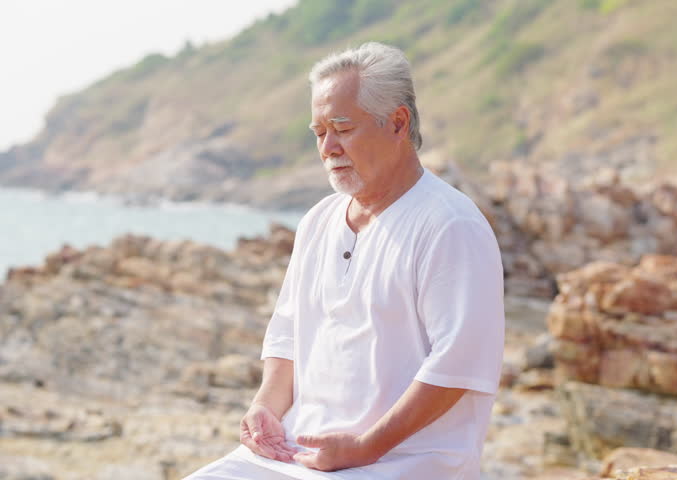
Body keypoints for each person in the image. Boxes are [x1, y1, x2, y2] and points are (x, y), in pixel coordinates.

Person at [185, 42, 504, 480]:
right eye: (319, 132)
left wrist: (366, 447)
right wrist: (265, 409)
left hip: (400, 465)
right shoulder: (318, 221)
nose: (327, 147)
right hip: (295, 457)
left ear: (397, 123)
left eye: (342, 128)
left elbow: (459, 364)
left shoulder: (450, 225)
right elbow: (286, 340)